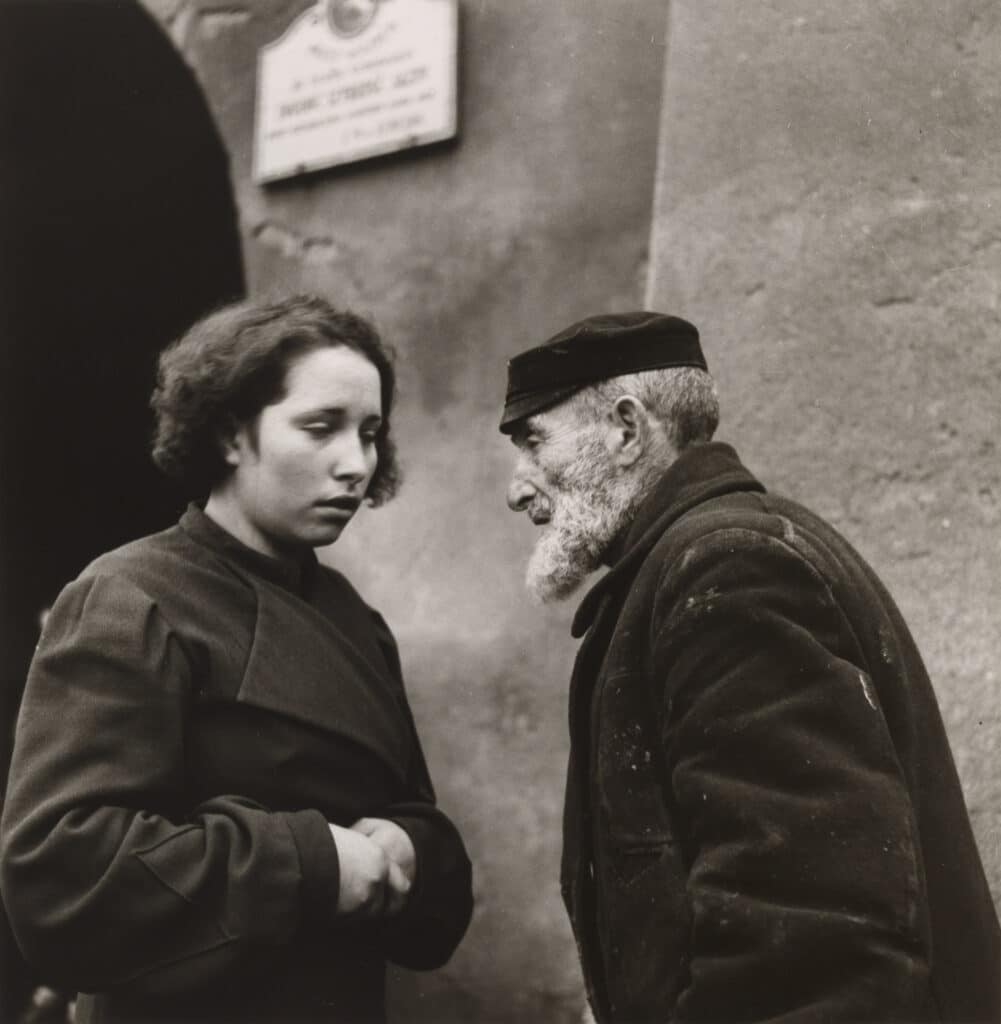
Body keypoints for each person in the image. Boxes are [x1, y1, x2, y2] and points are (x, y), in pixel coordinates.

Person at [499, 311, 1000, 1023]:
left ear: (624, 429)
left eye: (533, 443)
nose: (517, 488)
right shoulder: (700, 560)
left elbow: (810, 937)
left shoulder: (726, 568)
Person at [0, 295, 473, 1024]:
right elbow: (62, 873)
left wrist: (410, 846)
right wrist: (309, 863)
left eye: (371, 434)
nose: (356, 464)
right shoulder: (131, 597)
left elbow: (412, 808)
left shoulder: (351, 616)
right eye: (321, 428)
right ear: (229, 434)